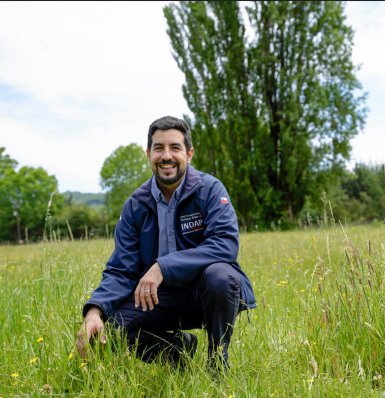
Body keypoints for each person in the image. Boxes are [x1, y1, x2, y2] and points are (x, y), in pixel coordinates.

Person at [76, 115, 256, 371]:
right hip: (156, 299)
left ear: (189, 153)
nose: (166, 156)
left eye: (175, 147)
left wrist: (163, 267)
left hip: (203, 295)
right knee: (110, 330)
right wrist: (94, 311)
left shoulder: (210, 190)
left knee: (221, 275)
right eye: (159, 148)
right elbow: (120, 269)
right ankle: (176, 350)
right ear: (149, 153)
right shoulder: (135, 204)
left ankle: (217, 364)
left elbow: (225, 244)